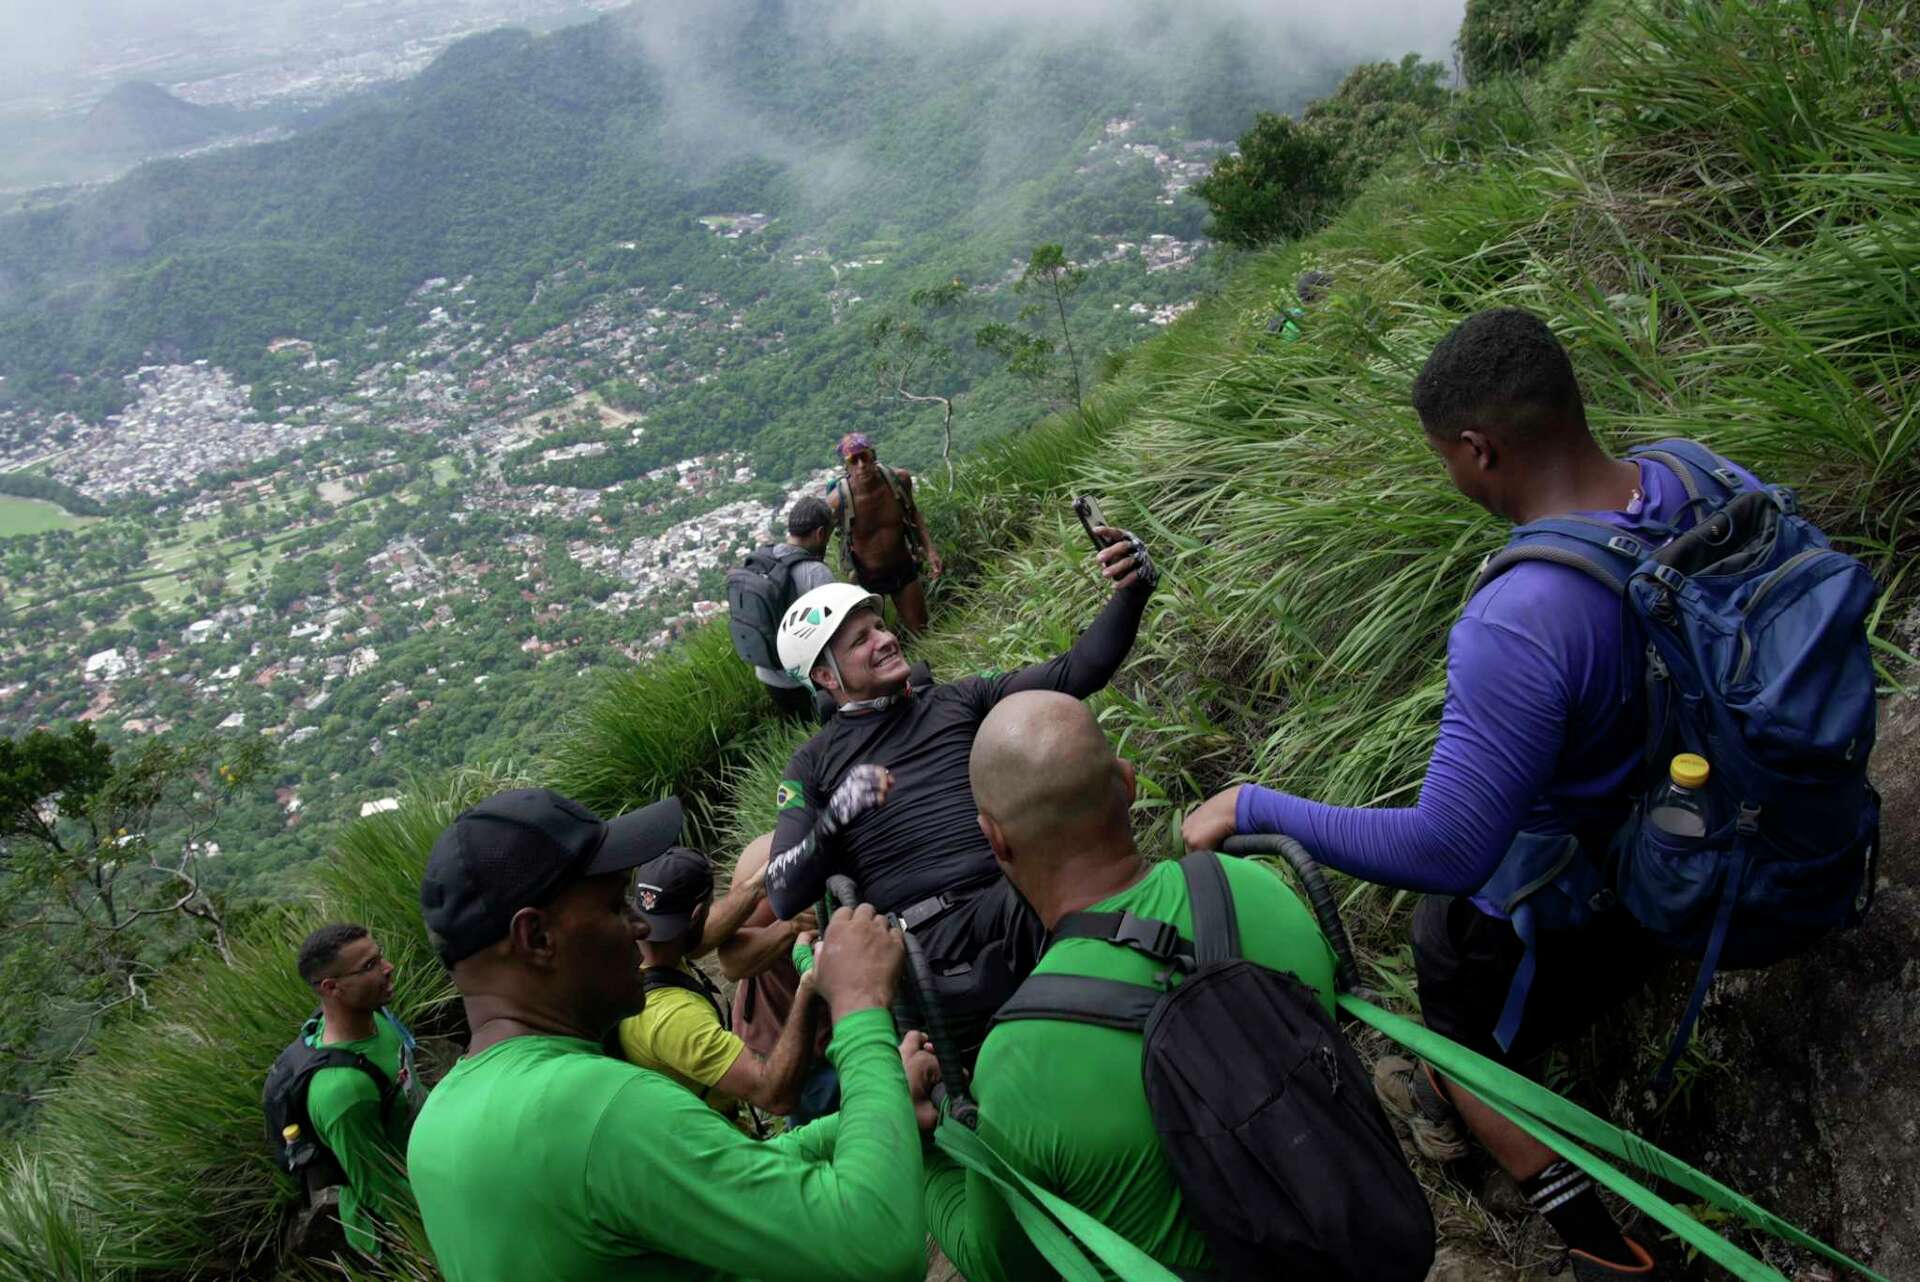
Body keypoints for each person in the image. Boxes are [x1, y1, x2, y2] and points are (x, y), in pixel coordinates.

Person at [1181, 308, 1764, 1279]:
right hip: (1720, 806)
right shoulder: (1690, 472)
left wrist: (1253, 806)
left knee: (1451, 984)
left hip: (1600, 892)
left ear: (1479, 449)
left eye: (1444, 459)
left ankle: (1606, 1245)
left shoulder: (1521, 617)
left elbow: (1450, 848)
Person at [406, 787, 929, 1282]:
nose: (639, 927)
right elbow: (876, 1247)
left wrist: (875, 1106)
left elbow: (723, 1177)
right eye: (615, 905)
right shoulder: (598, 1107)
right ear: (537, 938)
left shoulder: (436, 1126)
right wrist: (860, 1005)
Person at [924, 691, 1339, 1280]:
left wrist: (927, 1154)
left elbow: (1000, 1265)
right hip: (1353, 1233)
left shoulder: (1017, 1062)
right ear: (1128, 781)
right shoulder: (1254, 885)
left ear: (995, 839)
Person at [765, 521, 1157, 1065]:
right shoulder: (812, 764)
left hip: (1020, 897)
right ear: (827, 679)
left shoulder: (960, 700)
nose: (885, 638)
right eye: (862, 640)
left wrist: (1132, 591)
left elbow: (1076, 672)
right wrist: (833, 820)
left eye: (880, 625)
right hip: (932, 945)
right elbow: (782, 890)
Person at [613, 845, 825, 1129]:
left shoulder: (631, 961)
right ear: (698, 914)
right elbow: (775, 1094)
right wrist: (807, 990)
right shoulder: (676, 1018)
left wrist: (756, 888)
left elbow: (700, 940)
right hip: (713, 1150)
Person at [290, 923, 425, 1256]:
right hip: (405, 1230)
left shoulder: (373, 1015)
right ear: (332, 987)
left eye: (379, 957)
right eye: (370, 966)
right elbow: (383, 1194)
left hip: (431, 1164)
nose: (388, 968)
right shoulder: (343, 1092)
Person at [718, 834, 837, 1124]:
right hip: (798, 1046)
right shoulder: (769, 858)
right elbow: (731, 962)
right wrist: (790, 927)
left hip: (863, 1031)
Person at [824, 433, 942, 635]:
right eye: (854, 460)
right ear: (846, 466)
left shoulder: (898, 481)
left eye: (865, 457)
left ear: (873, 456)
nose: (861, 465)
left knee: (921, 630)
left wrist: (930, 551)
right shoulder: (837, 501)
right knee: (876, 639)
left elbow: (913, 513)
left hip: (903, 565)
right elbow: (823, 539)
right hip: (866, 577)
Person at [741, 497, 839, 719]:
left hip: (767, 672)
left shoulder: (763, 559)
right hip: (806, 678)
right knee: (831, 725)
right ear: (821, 533)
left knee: (802, 728)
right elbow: (834, 630)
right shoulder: (815, 572)